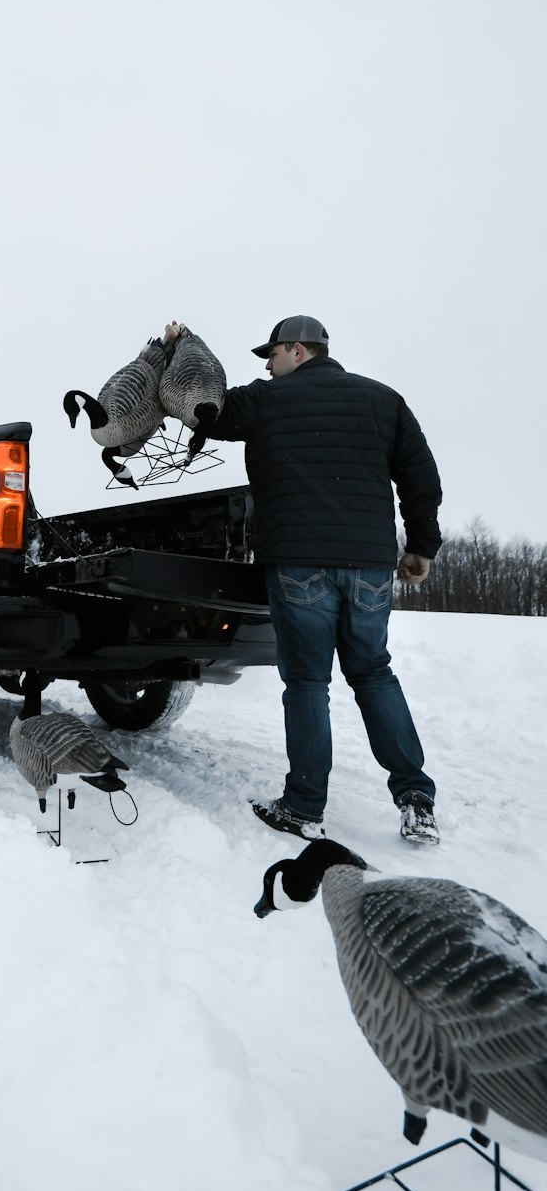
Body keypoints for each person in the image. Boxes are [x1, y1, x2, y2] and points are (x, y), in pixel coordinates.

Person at [207, 314, 442, 845]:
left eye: (271, 355)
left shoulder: (265, 400)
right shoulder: (384, 400)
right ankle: (416, 799)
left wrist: (177, 351)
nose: (266, 366)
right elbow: (420, 478)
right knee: (375, 674)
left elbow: (208, 411)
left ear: (298, 350)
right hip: (369, 564)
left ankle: (303, 808)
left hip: (298, 560)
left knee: (309, 684)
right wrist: (422, 547)